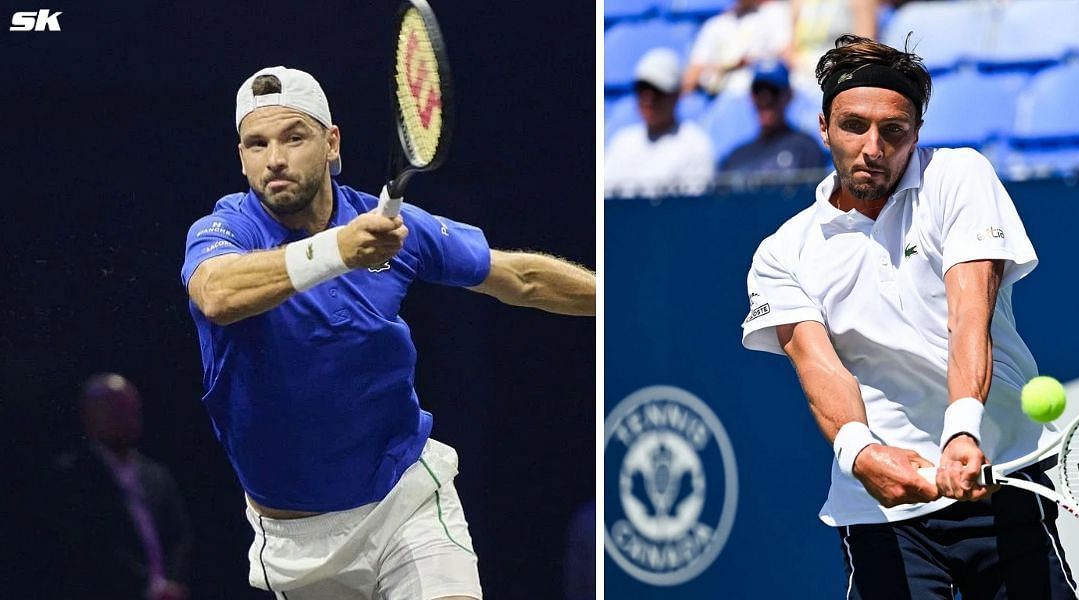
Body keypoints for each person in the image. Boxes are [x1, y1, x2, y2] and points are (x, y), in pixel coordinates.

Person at [181, 66, 595, 599]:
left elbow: (522, 278)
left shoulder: (390, 226)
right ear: (241, 157)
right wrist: (337, 251)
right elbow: (217, 295)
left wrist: (622, 303)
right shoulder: (224, 231)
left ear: (331, 144)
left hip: (405, 502)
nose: (275, 159)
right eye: (256, 144)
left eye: (294, 137)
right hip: (295, 543)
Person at [740, 36, 1077, 599]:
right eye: (854, 126)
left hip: (1000, 478)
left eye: (894, 131)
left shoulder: (958, 176)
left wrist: (961, 432)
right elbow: (822, 371)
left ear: (916, 133)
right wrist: (861, 454)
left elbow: (969, 314)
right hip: (878, 513)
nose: (873, 147)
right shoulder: (782, 252)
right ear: (824, 127)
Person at [46, 373, 192, 600]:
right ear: (90, 415)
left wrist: (172, 582)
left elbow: (179, 536)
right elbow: (90, 546)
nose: (129, 418)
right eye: (116, 409)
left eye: (132, 409)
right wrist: (147, 586)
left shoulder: (156, 475)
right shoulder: (70, 477)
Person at [605, 48, 716, 198]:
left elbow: (692, 211)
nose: (648, 99)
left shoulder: (695, 144)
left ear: (676, 95)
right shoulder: (622, 142)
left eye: (657, 91)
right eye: (642, 89)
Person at [718, 60, 826, 179]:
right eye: (758, 91)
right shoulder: (736, 157)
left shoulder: (805, 148)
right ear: (751, 97)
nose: (765, 98)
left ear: (789, 95)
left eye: (774, 91)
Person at [681, 0, 794, 96]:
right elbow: (691, 78)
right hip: (720, 97)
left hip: (761, 95)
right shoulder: (715, 25)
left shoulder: (774, 15)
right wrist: (729, 65)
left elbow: (787, 61)